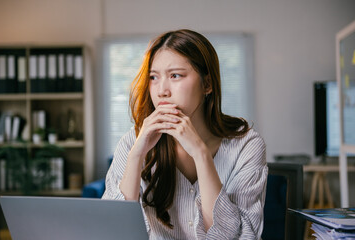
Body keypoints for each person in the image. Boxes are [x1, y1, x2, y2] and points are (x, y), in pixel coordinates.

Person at [102, 29, 268, 239]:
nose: (162, 90)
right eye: (153, 77)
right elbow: (112, 232)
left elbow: (233, 237)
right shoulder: (133, 142)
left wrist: (201, 154)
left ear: (207, 84)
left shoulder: (247, 145)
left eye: (175, 75)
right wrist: (136, 155)